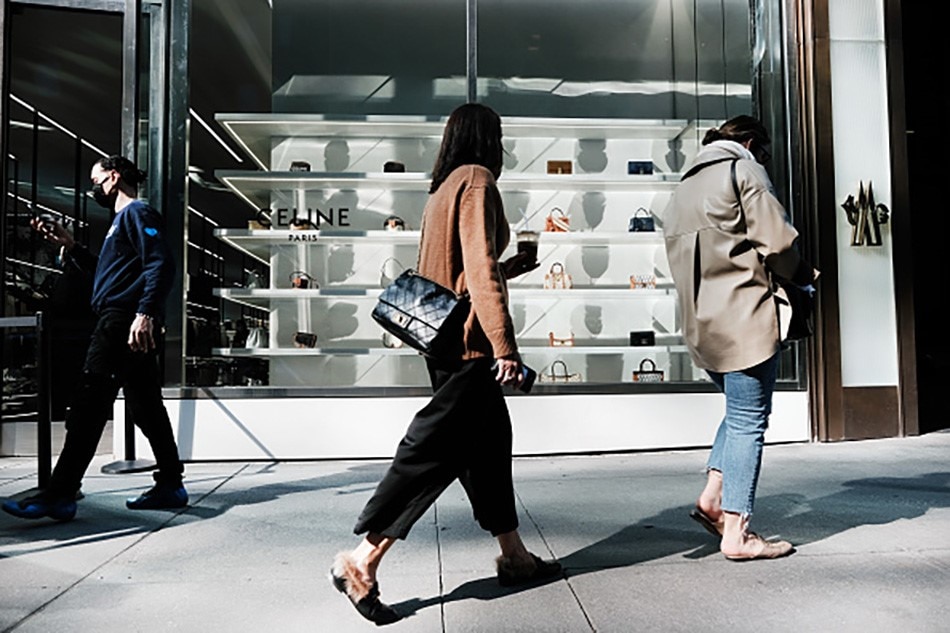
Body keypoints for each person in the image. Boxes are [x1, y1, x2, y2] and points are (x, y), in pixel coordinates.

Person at [329, 103, 561, 625]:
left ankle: (514, 554)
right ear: (487, 138)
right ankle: (361, 561)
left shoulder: (443, 187)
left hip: (442, 340)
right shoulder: (477, 180)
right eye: (499, 136)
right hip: (470, 347)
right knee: (436, 450)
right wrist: (504, 345)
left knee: (488, 447)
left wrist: (510, 268)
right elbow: (477, 269)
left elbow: (457, 273)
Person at [662, 115, 818, 560]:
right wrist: (804, 279)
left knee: (741, 410)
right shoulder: (743, 169)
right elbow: (780, 245)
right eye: (764, 152)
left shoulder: (685, 186)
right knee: (750, 420)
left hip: (703, 322)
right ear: (750, 143)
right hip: (745, 315)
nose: (763, 160)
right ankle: (737, 532)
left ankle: (713, 496)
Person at [2, 155, 188, 522]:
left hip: (122, 322)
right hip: (121, 318)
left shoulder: (137, 213)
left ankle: (60, 493)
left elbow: (160, 264)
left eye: (95, 178)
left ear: (114, 177)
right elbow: (110, 276)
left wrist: (145, 313)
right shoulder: (120, 222)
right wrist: (71, 247)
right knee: (145, 406)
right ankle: (170, 484)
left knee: (89, 403)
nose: (92, 186)